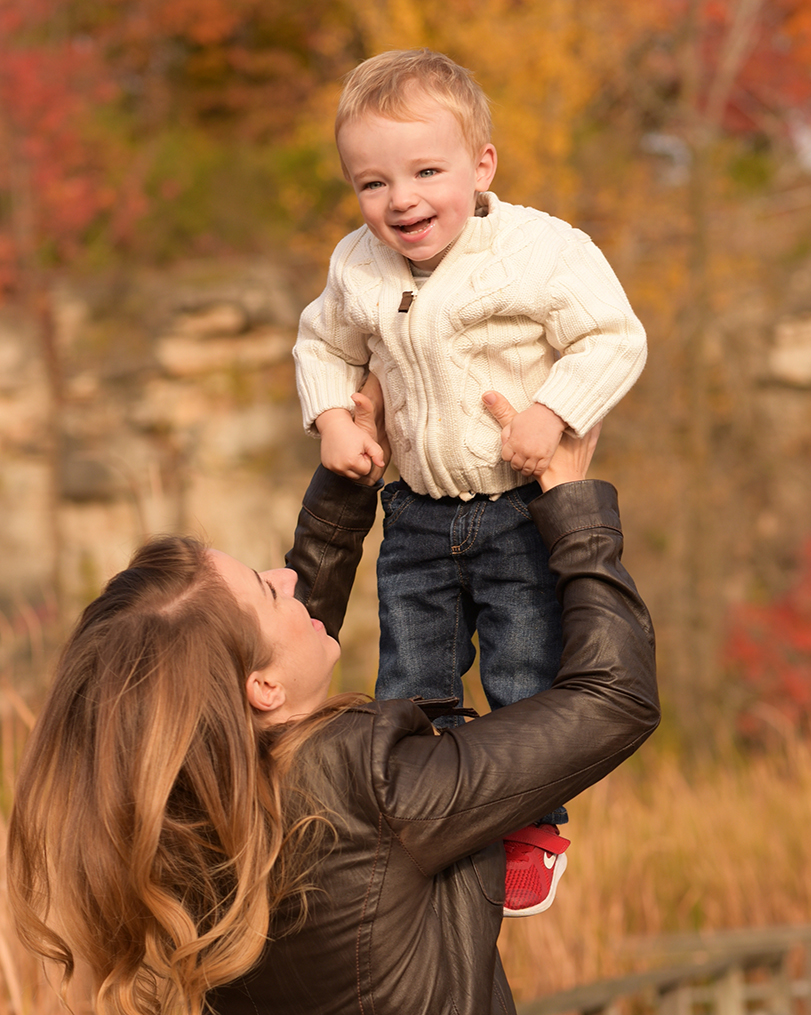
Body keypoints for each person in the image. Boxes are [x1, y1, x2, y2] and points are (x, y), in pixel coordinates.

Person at [6, 389, 659, 1015]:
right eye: (267, 590)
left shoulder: (189, 830)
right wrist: (574, 506)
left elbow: (271, 665)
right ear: (257, 689)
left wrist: (352, 472)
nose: (287, 576)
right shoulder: (372, 786)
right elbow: (614, 695)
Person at [293, 48, 647, 913]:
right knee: (412, 676)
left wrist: (552, 412)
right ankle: (425, 814)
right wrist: (335, 418)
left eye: (425, 171)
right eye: (372, 183)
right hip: (414, 511)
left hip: (517, 504)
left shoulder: (538, 250)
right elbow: (321, 345)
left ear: (480, 165)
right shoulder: (357, 266)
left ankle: (533, 823)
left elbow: (613, 337)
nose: (401, 199)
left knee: (527, 666)